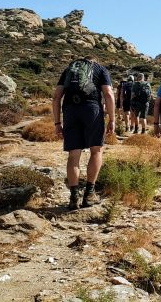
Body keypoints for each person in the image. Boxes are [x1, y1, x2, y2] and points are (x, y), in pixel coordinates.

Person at [52, 56, 115, 210]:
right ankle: (89, 194)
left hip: (70, 111)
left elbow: (56, 97)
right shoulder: (100, 69)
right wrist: (112, 119)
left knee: (73, 155)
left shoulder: (69, 69)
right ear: (94, 61)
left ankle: (74, 198)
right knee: (96, 150)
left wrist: (57, 123)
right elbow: (108, 93)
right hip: (92, 109)